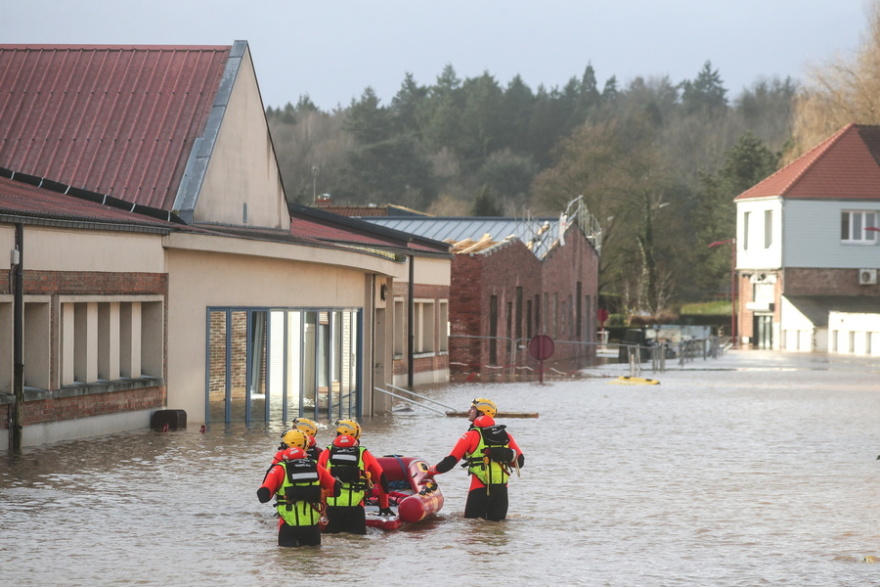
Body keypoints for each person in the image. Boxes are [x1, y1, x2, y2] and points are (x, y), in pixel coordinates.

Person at [426, 398, 524, 521]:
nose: (468, 411)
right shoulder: (505, 435)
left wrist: (430, 471)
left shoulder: (470, 435)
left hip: (479, 491)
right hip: (501, 493)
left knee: (473, 531)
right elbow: (520, 462)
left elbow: (449, 463)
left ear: (481, 413)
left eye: (472, 408)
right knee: (498, 535)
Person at [257, 439, 340, 547]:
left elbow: (263, 496)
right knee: (313, 560)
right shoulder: (316, 466)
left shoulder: (280, 468)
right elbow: (335, 490)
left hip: (288, 525)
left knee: (288, 559)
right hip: (312, 527)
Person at [317, 419, 392, 534]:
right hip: (356, 509)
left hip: (331, 509)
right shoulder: (363, 453)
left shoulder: (326, 452)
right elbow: (381, 479)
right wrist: (384, 506)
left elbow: (317, 480)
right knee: (357, 542)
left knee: (332, 544)